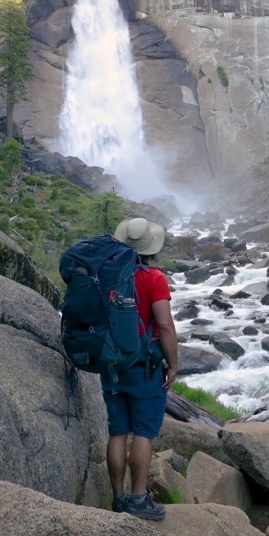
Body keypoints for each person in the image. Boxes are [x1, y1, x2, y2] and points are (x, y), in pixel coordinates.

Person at [105, 217, 179, 520]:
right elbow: (164, 325)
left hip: (110, 364)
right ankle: (138, 500)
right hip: (144, 366)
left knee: (117, 432)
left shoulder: (107, 274)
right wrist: (173, 365)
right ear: (151, 247)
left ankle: (118, 498)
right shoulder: (154, 277)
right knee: (144, 434)